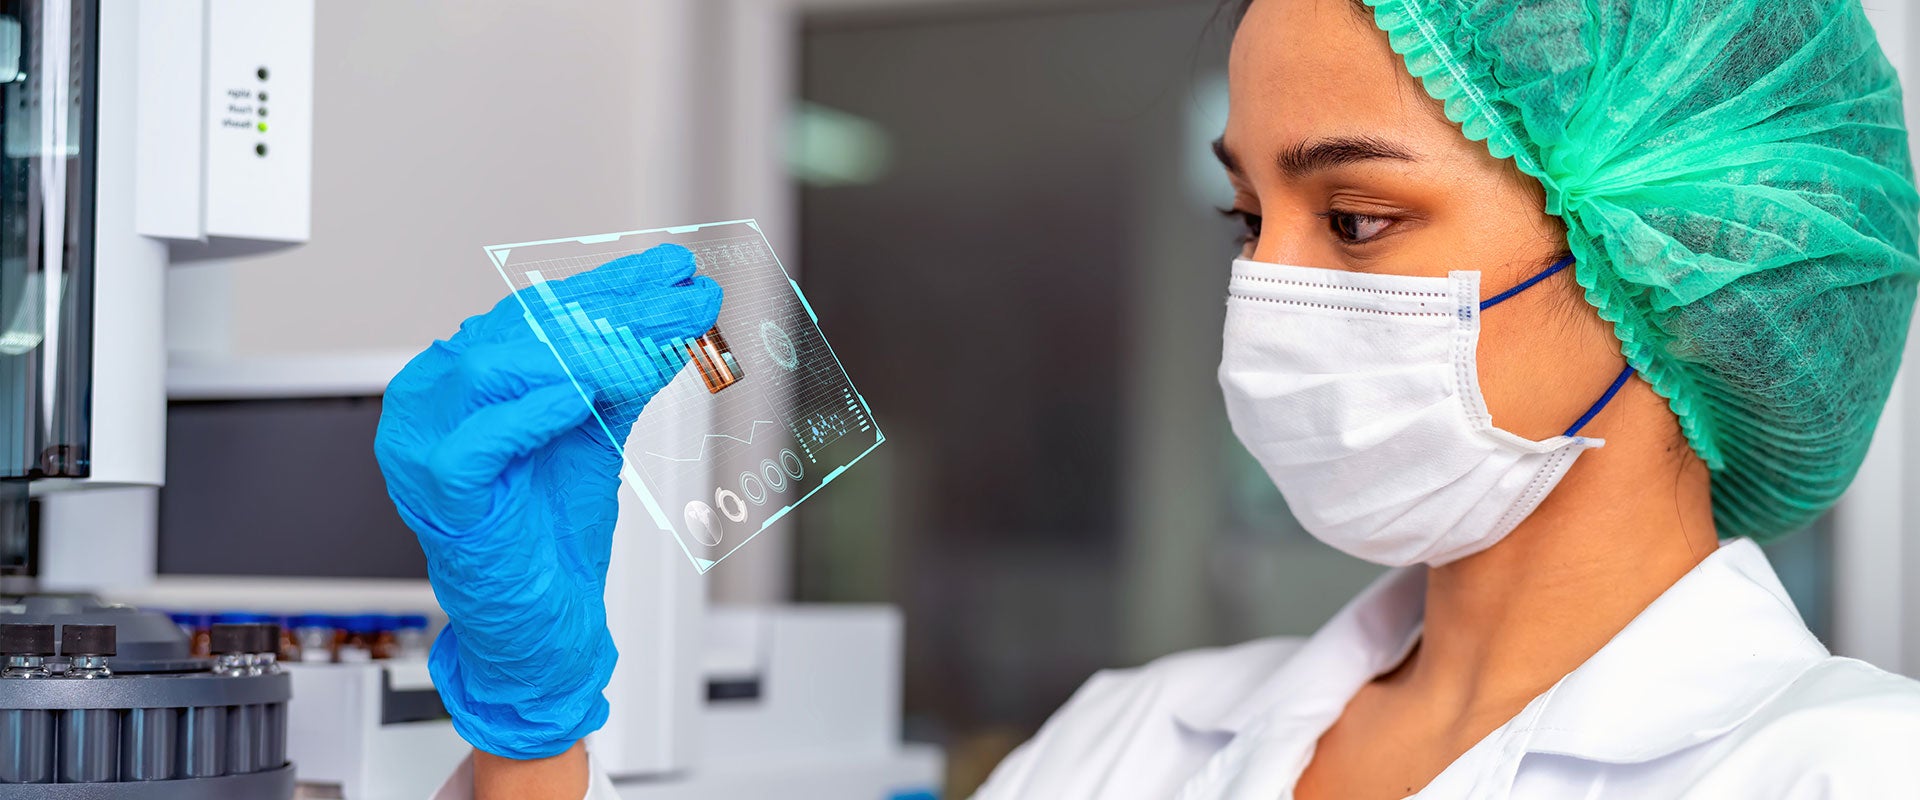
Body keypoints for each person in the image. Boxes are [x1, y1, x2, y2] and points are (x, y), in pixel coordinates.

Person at [378, 0, 1920, 797]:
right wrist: (532, 742)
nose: (1271, 293)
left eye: (1359, 219)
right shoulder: (1139, 745)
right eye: (1248, 220)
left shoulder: (1843, 772)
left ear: (1673, 253)